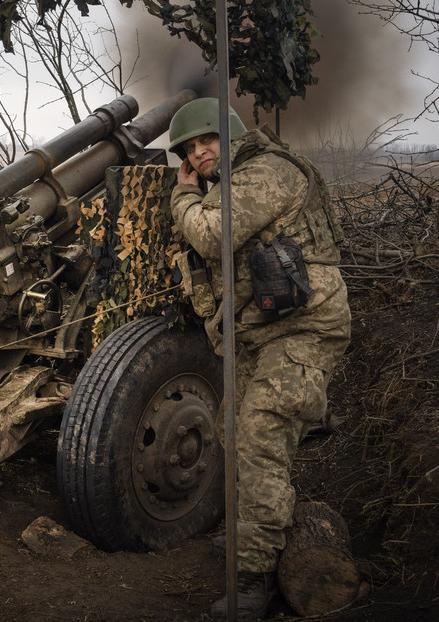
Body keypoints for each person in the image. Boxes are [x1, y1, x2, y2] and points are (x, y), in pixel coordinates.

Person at [168, 98, 352, 619]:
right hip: (264, 333)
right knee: (233, 430)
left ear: (231, 135)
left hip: (306, 329)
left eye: (206, 140)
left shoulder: (265, 173)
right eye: (189, 148)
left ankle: (254, 581)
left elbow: (211, 235)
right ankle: (256, 532)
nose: (198, 152)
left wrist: (182, 195)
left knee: (259, 438)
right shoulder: (233, 181)